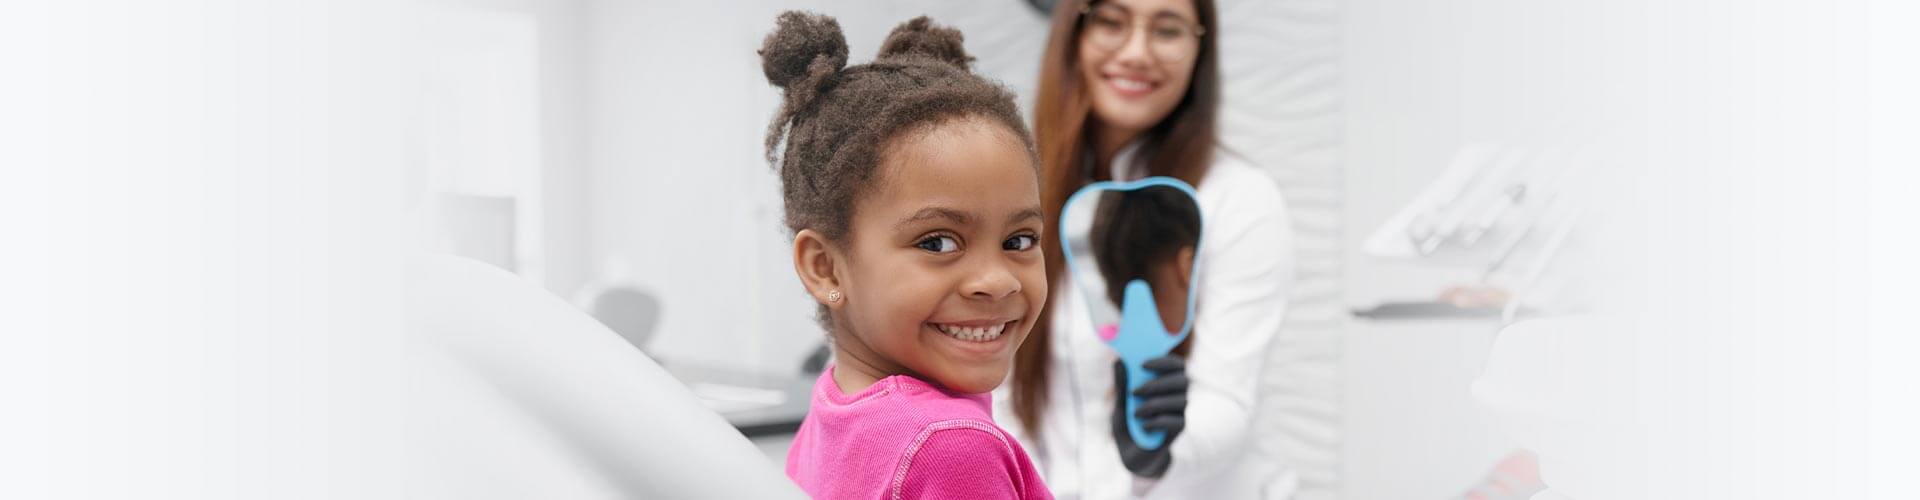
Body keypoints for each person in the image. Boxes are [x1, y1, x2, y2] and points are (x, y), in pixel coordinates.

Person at [996, 0, 1297, 497]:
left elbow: (1225, 400)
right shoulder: (1019, 192)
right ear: (1073, 32)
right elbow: (1001, 393)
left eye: (1167, 30)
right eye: (1112, 22)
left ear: (1199, 48)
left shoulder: (1239, 200)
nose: (1137, 52)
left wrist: (1159, 450)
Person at [759, 12, 1054, 499]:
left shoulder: (835, 405)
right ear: (824, 266)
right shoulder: (951, 449)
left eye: (1019, 240)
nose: (998, 281)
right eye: (937, 242)